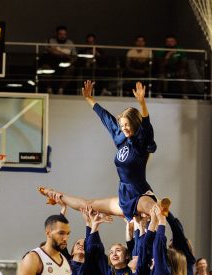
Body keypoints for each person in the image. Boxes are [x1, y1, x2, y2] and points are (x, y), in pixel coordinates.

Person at [39, 80, 166, 222]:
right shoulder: (122, 140)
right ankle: (55, 194)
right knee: (88, 205)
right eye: (122, 125)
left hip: (139, 193)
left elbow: (147, 127)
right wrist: (89, 99)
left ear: (135, 124)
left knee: (154, 211)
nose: (124, 128)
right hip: (124, 196)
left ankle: (159, 209)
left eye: (127, 125)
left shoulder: (141, 142)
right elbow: (107, 119)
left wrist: (142, 103)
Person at [42, 25, 77, 95]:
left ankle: (61, 89)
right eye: (60, 34)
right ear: (57, 34)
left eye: (64, 34)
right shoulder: (50, 41)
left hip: (65, 63)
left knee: (71, 69)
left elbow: (74, 56)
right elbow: (47, 51)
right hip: (52, 62)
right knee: (45, 68)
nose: (62, 36)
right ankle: (49, 89)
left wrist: (69, 60)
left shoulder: (70, 43)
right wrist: (57, 53)